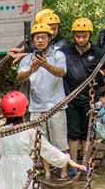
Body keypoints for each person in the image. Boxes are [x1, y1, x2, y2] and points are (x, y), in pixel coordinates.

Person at [17, 23, 71, 178]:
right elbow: (20, 77)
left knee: (60, 141)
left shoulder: (58, 55)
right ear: (33, 40)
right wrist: (31, 71)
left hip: (57, 105)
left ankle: (63, 172)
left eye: (43, 37)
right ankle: (47, 172)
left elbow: (61, 72)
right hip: (36, 106)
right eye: (37, 37)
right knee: (41, 142)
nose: (40, 40)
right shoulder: (28, 59)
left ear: (49, 38)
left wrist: (46, 65)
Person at [61, 18, 105, 163]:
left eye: (84, 36)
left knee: (87, 134)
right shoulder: (66, 51)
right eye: (78, 36)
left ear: (90, 35)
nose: (81, 39)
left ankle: (85, 164)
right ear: (73, 35)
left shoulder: (98, 53)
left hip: (90, 100)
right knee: (72, 134)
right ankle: (73, 163)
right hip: (70, 99)